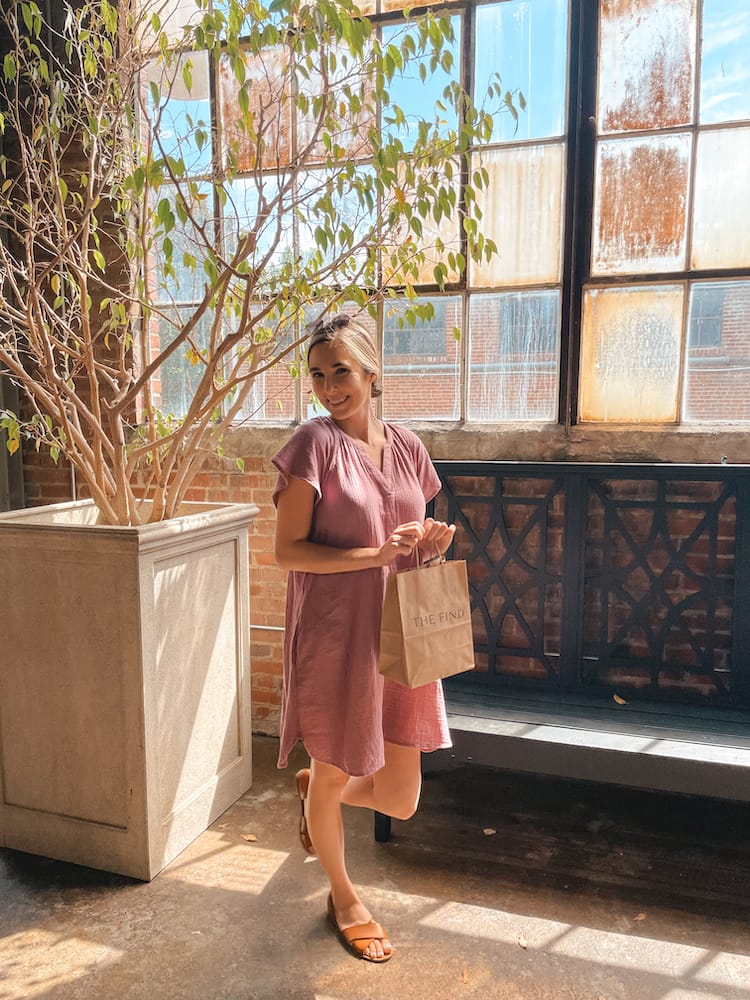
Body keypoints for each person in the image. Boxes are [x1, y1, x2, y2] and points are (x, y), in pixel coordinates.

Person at [271, 313, 456, 963]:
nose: (328, 387)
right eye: (318, 375)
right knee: (334, 771)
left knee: (400, 799)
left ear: (372, 372)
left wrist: (428, 547)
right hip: (336, 635)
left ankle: (314, 793)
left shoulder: (408, 446)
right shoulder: (310, 447)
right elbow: (288, 551)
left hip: (400, 633)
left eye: (341, 371)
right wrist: (373, 557)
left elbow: (412, 531)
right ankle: (344, 894)